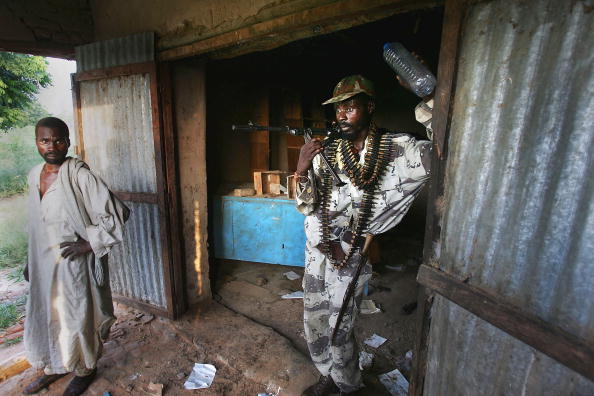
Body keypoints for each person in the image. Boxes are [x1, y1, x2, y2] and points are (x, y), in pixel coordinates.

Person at [295, 75, 433, 395]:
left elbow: (448, 147)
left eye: (350, 107)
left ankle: (348, 386)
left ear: (369, 107)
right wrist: (301, 170)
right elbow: (306, 206)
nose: (341, 115)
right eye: (337, 109)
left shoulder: (401, 150)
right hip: (318, 246)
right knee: (313, 316)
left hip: (353, 250)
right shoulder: (330, 152)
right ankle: (327, 374)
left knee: (339, 324)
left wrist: (430, 98)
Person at [22, 117, 129, 396]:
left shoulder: (79, 175)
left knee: (76, 316)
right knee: (47, 313)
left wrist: (88, 244)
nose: (52, 146)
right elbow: (36, 223)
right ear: (36, 142)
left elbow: (120, 214)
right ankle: (54, 365)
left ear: (68, 142)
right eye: (45, 140)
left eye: (58, 140)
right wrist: (29, 260)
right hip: (42, 263)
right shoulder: (34, 175)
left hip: (72, 264)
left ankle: (84, 369)